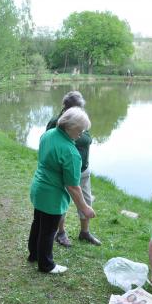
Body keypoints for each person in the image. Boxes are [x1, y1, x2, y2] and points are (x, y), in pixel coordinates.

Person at [27, 107, 96, 274]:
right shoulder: (71, 152)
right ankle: (46, 265)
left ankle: (33, 255)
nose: (81, 135)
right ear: (69, 126)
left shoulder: (48, 134)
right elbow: (72, 186)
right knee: (49, 231)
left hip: (38, 188)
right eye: (79, 130)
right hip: (52, 196)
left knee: (38, 223)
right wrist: (85, 208)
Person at [46, 91, 101, 247]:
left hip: (83, 169)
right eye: (77, 108)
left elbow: (85, 139)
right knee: (63, 202)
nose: (81, 110)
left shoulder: (81, 119)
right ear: (67, 107)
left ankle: (85, 232)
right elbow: (51, 144)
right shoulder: (57, 122)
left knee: (87, 199)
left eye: (81, 108)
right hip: (65, 171)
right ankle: (60, 233)